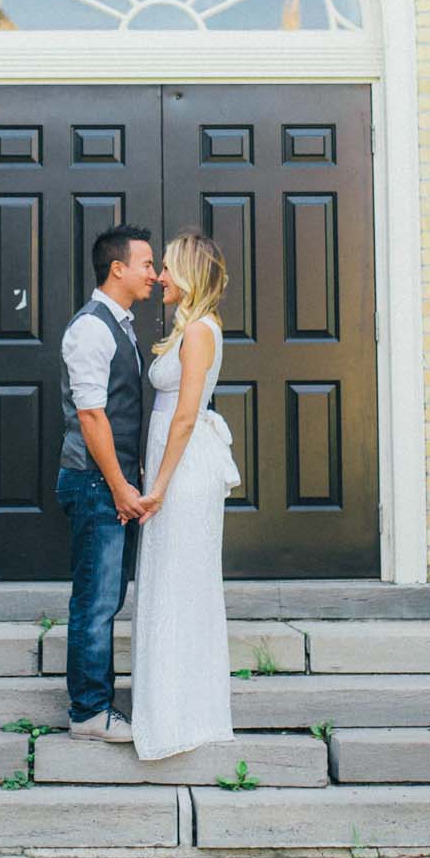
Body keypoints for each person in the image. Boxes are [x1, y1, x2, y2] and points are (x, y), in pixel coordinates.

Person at [131, 229, 238, 761]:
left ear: (190, 274)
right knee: (166, 583)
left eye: (169, 268)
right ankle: (166, 706)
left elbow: (186, 416)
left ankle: (182, 715)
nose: (161, 277)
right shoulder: (188, 329)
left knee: (180, 584)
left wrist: (159, 486)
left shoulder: (199, 331)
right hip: (171, 470)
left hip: (183, 472)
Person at [55, 223, 155, 742]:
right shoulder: (92, 328)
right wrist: (119, 486)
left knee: (106, 597)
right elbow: (92, 416)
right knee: (95, 601)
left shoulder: (121, 325)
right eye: (146, 264)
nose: (154, 275)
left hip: (110, 483)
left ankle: (95, 704)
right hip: (96, 483)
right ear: (117, 268)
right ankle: (89, 712)